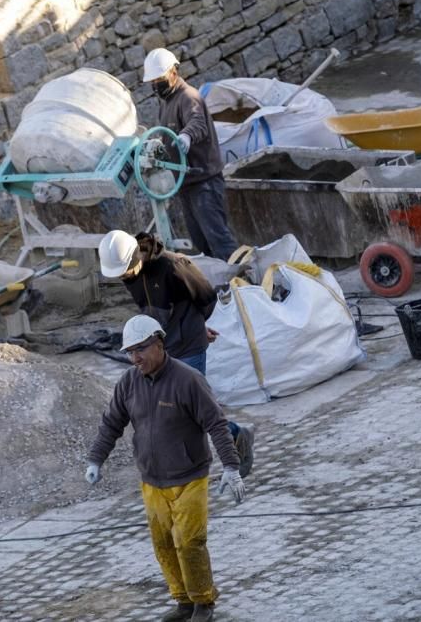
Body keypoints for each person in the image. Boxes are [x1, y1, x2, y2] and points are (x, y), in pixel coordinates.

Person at [85, 315, 246, 622]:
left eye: (141, 349)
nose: (135, 358)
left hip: (190, 478)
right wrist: (95, 459)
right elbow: (111, 423)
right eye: (130, 352)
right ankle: (182, 601)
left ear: (159, 344)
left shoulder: (188, 380)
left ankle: (203, 602)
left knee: (188, 542)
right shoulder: (128, 383)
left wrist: (231, 466)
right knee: (163, 545)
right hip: (152, 480)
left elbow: (216, 422)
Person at [98, 228, 254, 478]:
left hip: (189, 346)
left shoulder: (173, 265)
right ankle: (223, 441)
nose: (124, 277)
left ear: (135, 256)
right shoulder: (130, 275)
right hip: (162, 348)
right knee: (177, 409)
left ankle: (234, 439)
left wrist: (194, 327)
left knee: (194, 408)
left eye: (125, 270)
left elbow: (205, 297)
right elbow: (150, 311)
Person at [142, 47, 237, 262]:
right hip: (186, 185)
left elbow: (198, 123)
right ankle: (218, 286)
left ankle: (241, 285)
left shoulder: (188, 97)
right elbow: (167, 137)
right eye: (152, 82)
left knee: (219, 239)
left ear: (173, 73)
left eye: (159, 79)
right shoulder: (166, 103)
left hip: (205, 183)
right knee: (201, 242)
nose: (155, 85)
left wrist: (186, 136)